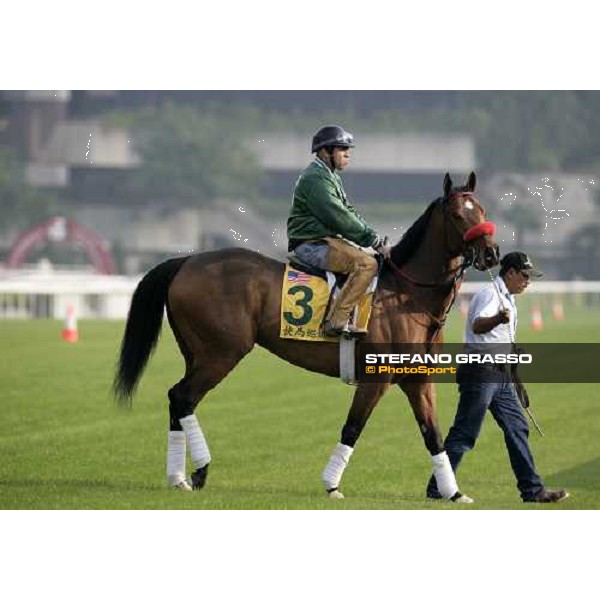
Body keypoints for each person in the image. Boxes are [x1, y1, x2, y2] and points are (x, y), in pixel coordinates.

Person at [426, 251, 569, 503]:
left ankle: (533, 491)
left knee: (518, 428)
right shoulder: (490, 294)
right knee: (464, 433)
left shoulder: (508, 298)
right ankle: (438, 488)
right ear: (511, 273)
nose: (527, 282)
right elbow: (478, 325)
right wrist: (497, 319)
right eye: (524, 276)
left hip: (501, 376)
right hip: (480, 372)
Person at [287, 125, 391, 337]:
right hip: (312, 245)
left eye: (348, 149)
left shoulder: (329, 176)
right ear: (325, 152)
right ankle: (337, 321)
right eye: (342, 149)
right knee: (366, 264)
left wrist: (373, 238)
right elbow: (340, 217)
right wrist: (375, 241)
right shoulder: (316, 179)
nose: (347, 154)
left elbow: (349, 212)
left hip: (325, 241)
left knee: (370, 259)